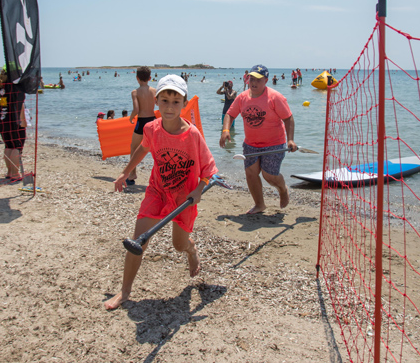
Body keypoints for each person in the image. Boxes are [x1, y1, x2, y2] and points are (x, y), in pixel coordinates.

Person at [105, 74, 218, 310]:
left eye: (176, 102)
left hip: (184, 197)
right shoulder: (151, 129)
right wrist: (126, 172)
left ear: (184, 104)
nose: (169, 107)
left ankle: (191, 249)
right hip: (157, 190)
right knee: (138, 241)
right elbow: (143, 149)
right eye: (164, 100)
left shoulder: (193, 135)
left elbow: (209, 170)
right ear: (156, 102)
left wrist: (198, 189)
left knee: (179, 244)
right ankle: (125, 291)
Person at [219, 64, 297, 215]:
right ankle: (259, 204)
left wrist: (291, 140)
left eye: (258, 80)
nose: (254, 82)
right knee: (250, 172)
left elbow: (288, 118)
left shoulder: (275, 97)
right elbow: (230, 114)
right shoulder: (242, 97)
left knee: (269, 175)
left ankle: (282, 189)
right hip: (251, 144)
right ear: (247, 79)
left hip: (274, 143)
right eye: (251, 79)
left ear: (266, 81)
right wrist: (226, 130)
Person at [0, 68, 26, 182]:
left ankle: (9, 172)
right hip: (14, 121)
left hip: (2, 120)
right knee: (17, 147)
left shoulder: (0, 85)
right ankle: (15, 174)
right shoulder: (17, 86)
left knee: (8, 146)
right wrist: (23, 121)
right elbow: (20, 105)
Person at [126, 66, 156, 186]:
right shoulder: (154, 91)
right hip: (153, 121)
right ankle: (158, 177)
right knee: (155, 149)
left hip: (142, 122)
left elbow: (136, 109)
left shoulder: (135, 92)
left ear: (137, 78)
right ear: (150, 78)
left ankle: (132, 174)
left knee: (134, 147)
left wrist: (130, 117)